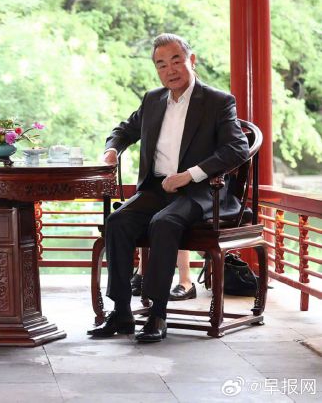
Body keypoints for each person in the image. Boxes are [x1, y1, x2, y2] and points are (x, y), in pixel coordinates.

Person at [88, 33, 248, 343]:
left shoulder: (218, 101)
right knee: (117, 221)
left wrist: (190, 175)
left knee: (164, 223)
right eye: (161, 64)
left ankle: (157, 313)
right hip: (156, 188)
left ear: (192, 60)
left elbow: (237, 148)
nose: (170, 69)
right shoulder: (153, 99)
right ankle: (121, 312)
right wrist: (112, 149)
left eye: (176, 60)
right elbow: (124, 130)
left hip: (200, 191)